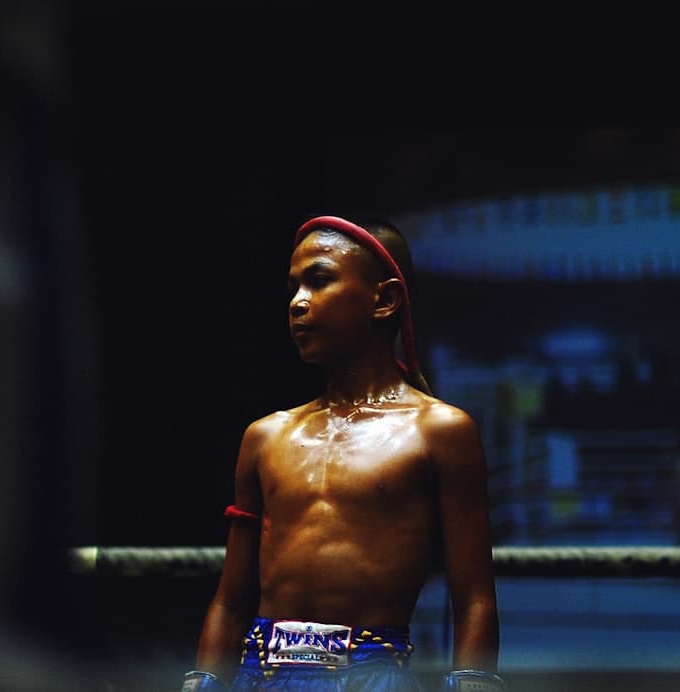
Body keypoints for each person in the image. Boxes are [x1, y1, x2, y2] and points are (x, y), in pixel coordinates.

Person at [182, 216, 502, 691]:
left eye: (319, 279)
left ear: (385, 299)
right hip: (258, 671)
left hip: (370, 675)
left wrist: (475, 684)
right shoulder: (266, 436)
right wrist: (202, 683)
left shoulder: (439, 431)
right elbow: (230, 601)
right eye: (292, 287)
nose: (297, 303)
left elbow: (473, 594)